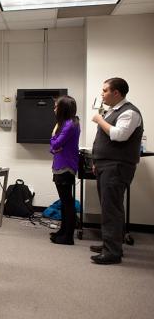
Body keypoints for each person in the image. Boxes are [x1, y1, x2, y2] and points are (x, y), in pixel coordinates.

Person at [90, 78, 143, 265]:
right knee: (109, 206)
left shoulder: (130, 112)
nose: (102, 93)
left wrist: (99, 119)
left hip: (117, 167)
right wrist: (97, 161)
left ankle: (112, 252)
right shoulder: (114, 111)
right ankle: (110, 244)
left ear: (116, 93)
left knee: (111, 208)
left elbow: (119, 135)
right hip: (107, 165)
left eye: (105, 90)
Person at [49, 95, 81, 245]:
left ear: (63, 108)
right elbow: (54, 148)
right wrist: (55, 145)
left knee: (67, 202)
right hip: (61, 165)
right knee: (64, 202)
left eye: (56, 106)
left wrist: (53, 137)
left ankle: (68, 236)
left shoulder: (69, 124)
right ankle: (63, 231)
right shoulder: (68, 123)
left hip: (65, 166)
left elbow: (55, 144)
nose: (54, 109)